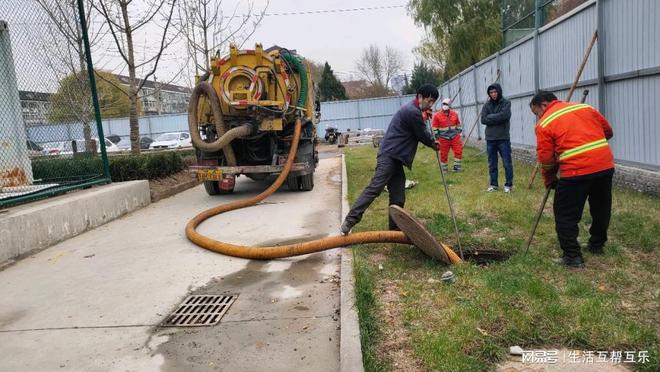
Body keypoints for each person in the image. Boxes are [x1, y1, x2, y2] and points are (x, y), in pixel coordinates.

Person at [529, 91, 615, 268]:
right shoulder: (586, 108)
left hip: (576, 172)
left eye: (536, 113)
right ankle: (597, 245)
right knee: (601, 208)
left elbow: (546, 160)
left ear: (543, 105)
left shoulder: (545, 123)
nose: (538, 117)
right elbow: (608, 131)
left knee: (565, 214)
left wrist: (550, 179)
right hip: (604, 166)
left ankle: (572, 256)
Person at [340, 84, 440, 234]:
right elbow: (422, 135)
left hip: (395, 158)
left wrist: (424, 118)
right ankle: (349, 221)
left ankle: (394, 229)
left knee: (398, 194)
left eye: (433, 102)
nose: (431, 104)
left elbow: (417, 128)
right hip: (390, 156)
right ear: (420, 97)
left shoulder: (413, 110)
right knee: (375, 188)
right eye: (429, 100)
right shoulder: (413, 112)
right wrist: (434, 143)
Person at [481, 83, 513, 193]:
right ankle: (493, 184)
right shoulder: (486, 105)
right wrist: (497, 117)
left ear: (499, 91)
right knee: (492, 163)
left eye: (495, 92)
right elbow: (483, 120)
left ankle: (508, 185)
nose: (493, 94)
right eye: (491, 93)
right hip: (490, 139)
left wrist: (490, 117)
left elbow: (504, 116)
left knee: (507, 163)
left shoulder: (506, 103)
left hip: (503, 138)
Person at [432, 98, 463, 172]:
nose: (445, 106)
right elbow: (434, 127)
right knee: (443, 154)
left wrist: (459, 131)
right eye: (444, 104)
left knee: (458, 151)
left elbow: (458, 124)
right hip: (443, 138)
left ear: (450, 105)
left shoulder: (454, 114)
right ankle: (444, 169)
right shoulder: (437, 115)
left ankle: (456, 168)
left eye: (446, 104)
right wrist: (437, 136)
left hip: (454, 136)